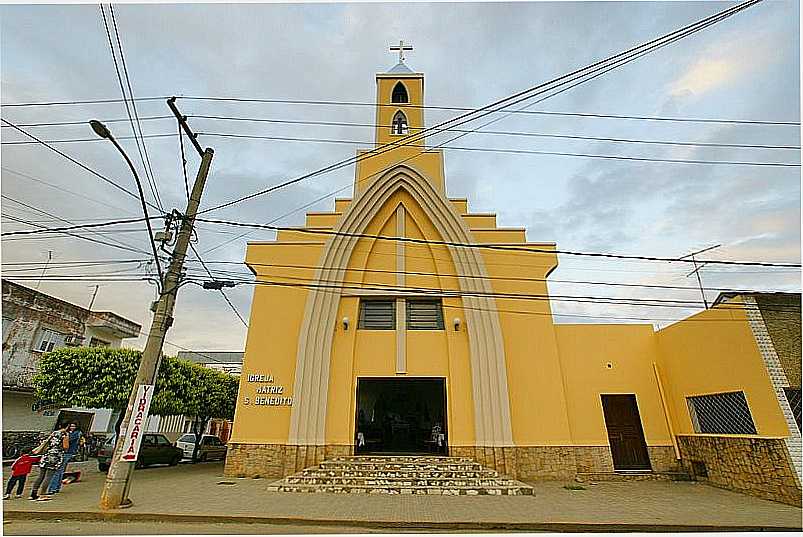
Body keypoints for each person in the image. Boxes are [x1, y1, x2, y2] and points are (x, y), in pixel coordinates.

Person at [29, 426, 68, 501]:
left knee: (41, 476)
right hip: (55, 457)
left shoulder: (53, 433)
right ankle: (42, 494)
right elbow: (65, 447)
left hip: (46, 455)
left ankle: (33, 494)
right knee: (48, 476)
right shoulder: (64, 434)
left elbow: (46, 442)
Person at [48, 422, 82, 494]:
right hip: (63, 453)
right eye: (71, 426)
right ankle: (56, 488)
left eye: (74, 426)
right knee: (60, 471)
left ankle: (53, 488)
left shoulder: (76, 433)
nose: (72, 427)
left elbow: (67, 442)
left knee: (58, 470)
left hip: (66, 453)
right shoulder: (64, 433)